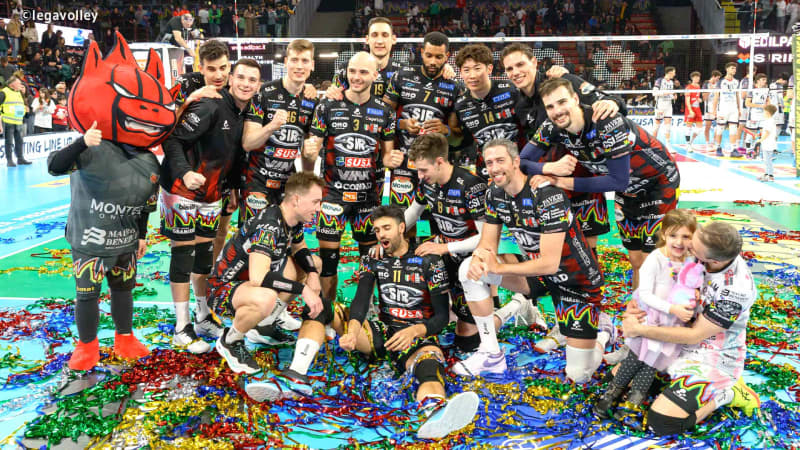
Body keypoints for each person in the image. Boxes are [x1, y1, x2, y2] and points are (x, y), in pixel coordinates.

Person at [249, 205, 480, 440]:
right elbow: (360, 300)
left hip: (418, 337)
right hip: (382, 333)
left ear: (402, 227)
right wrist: (352, 332)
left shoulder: (429, 260)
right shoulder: (373, 258)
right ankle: (296, 376)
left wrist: (414, 331)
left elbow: (441, 318)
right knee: (320, 307)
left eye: (386, 228)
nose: (381, 235)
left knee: (429, 366)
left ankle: (434, 413)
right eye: (377, 230)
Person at [46, 33, 176, 371]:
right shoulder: (93, 147)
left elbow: (146, 204)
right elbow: (55, 166)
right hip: (90, 240)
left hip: (125, 241)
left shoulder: (150, 160)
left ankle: (124, 337)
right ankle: (87, 345)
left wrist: (142, 235)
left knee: (124, 290)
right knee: (87, 293)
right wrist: (81, 142)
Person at [454, 139, 610, 382]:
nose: (494, 168)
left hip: (575, 282)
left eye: (500, 161)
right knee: (468, 269)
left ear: (516, 162)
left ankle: (604, 334)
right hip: (537, 275)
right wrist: (479, 257)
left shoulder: (548, 195)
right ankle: (491, 353)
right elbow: (487, 244)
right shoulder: (494, 194)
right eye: (489, 163)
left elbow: (550, 263)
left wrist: (499, 267)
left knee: (579, 375)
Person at [523, 78, 680, 290]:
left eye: (562, 102)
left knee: (651, 260)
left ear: (575, 99)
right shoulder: (552, 126)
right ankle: (640, 304)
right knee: (635, 259)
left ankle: (660, 306)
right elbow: (521, 161)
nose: (557, 111)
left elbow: (618, 180)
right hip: (628, 192)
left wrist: (560, 181)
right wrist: (550, 168)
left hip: (658, 183)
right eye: (550, 106)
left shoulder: (606, 121)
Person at [403, 133, 541, 352]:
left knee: (468, 342)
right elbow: (413, 211)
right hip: (447, 256)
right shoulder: (427, 183)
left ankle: (517, 305)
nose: (419, 176)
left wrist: (444, 247)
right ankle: (459, 311)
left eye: (423, 170)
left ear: (439, 162)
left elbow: (485, 239)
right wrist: (390, 233)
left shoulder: (470, 186)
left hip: (472, 259)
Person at [622, 221, 760, 436]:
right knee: (617, 382)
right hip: (675, 339)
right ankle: (673, 380)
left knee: (661, 424)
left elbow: (695, 335)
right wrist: (636, 303)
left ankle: (728, 394)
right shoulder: (706, 247)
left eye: (693, 247)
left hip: (711, 355)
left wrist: (639, 330)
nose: (685, 247)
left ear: (714, 261)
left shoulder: (736, 290)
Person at [159, 59, 260, 354]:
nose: (245, 84)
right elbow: (172, 141)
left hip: (212, 193)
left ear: (257, 85)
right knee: (183, 253)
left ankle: (202, 315)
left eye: (252, 80)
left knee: (204, 256)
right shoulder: (210, 105)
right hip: (181, 189)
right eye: (241, 77)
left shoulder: (243, 113)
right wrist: (185, 173)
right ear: (231, 79)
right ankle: (181, 327)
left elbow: (232, 156)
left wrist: (231, 189)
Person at [303, 52, 402, 302]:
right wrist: (309, 151)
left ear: (375, 75)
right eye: (352, 71)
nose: (356, 77)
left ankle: (363, 311)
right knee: (328, 263)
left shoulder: (385, 112)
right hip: (332, 196)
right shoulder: (326, 106)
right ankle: (328, 312)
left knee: (369, 263)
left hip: (368, 199)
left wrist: (394, 160)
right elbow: (313, 147)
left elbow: (387, 156)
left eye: (363, 72)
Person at [208, 172, 325, 374]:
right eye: (315, 202)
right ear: (296, 200)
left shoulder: (292, 218)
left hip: (248, 283)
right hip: (222, 289)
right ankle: (231, 340)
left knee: (314, 263)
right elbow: (259, 278)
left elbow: (299, 247)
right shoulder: (269, 226)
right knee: (266, 298)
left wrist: (313, 274)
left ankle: (264, 326)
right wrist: (303, 289)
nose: (319, 208)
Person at [594, 209, 697, 417]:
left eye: (686, 236)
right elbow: (645, 294)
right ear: (664, 234)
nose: (679, 242)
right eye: (673, 235)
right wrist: (672, 309)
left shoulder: (692, 261)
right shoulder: (655, 259)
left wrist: (694, 295)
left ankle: (633, 400)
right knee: (635, 358)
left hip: (671, 323)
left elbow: (694, 284)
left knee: (652, 362)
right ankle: (612, 393)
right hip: (650, 318)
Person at [382, 31, 460, 208]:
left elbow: (458, 137)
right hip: (403, 163)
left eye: (439, 57)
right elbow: (381, 117)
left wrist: (445, 130)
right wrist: (402, 124)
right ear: (421, 52)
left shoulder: (455, 87)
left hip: (436, 166)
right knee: (402, 216)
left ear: (447, 56)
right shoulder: (402, 76)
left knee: (435, 218)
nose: (433, 62)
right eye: (429, 55)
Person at [713, 63, 742, 157]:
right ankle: (718, 148)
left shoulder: (737, 82)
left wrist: (739, 108)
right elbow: (716, 96)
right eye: (732, 68)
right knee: (720, 129)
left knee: (733, 130)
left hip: (733, 109)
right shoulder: (720, 82)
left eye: (735, 68)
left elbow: (737, 96)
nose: (734, 70)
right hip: (723, 109)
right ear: (727, 69)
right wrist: (714, 110)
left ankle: (733, 149)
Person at [0, 74, 29, 166]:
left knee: (19, 141)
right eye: (18, 83)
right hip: (8, 121)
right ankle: (9, 160)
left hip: (19, 121)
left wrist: (25, 111)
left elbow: (19, 106)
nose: (21, 85)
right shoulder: (4, 92)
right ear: (12, 84)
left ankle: (20, 158)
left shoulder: (18, 93)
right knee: (9, 141)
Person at [744, 73, 770, 159]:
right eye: (763, 80)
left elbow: (768, 101)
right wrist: (760, 106)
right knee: (751, 135)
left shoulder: (766, 90)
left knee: (764, 134)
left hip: (763, 116)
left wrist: (768, 107)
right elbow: (747, 103)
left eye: (765, 80)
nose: (765, 81)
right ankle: (748, 151)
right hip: (753, 115)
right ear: (758, 81)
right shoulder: (752, 90)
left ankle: (760, 152)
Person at [652, 66, 676, 148]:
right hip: (660, 105)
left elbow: (670, 94)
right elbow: (654, 93)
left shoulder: (671, 82)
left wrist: (673, 96)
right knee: (657, 125)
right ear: (670, 72)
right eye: (674, 72)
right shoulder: (659, 80)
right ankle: (653, 143)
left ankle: (668, 144)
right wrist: (665, 93)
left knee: (668, 126)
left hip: (668, 106)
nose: (674, 74)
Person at [756, 104, 778, 182]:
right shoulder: (769, 121)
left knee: (768, 160)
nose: (763, 113)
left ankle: (770, 176)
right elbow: (766, 132)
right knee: (766, 160)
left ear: (767, 113)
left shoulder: (769, 121)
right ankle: (766, 174)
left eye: (764, 111)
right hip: (767, 143)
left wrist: (760, 140)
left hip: (768, 144)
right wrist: (760, 135)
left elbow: (767, 133)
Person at [684, 71, 703, 152]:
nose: (697, 78)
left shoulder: (698, 86)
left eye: (698, 77)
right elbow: (687, 101)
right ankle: (688, 144)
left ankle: (691, 142)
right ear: (692, 78)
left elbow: (697, 97)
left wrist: (699, 100)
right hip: (690, 109)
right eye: (695, 77)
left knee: (700, 128)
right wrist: (690, 111)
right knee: (689, 127)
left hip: (697, 108)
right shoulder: (688, 88)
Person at [702, 70, 722, 145]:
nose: (718, 80)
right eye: (717, 78)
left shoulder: (718, 84)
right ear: (713, 76)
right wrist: (710, 90)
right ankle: (707, 142)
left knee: (718, 127)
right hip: (708, 108)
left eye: (719, 78)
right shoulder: (706, 84)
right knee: (707, 127)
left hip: (717, 108)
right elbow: (704, 98)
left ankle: (714, 142)